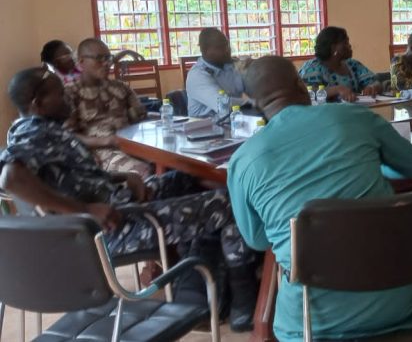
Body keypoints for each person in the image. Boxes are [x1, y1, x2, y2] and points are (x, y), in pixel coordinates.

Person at [0, 66, 258, 331]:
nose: (68, 98)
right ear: (38, 103)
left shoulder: (46, 129)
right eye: (60, 94)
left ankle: (196, 282)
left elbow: (76, 177)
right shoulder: (34, 132)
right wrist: (85, 209)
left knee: (185, 178)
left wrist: (123, 177)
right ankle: (244, 297)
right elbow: (10, 178)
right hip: (113, 230)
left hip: (121, 205)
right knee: (229, 203)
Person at [228, 56, 412, 342]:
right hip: (399, 305)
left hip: (311, 321)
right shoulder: (355, 118)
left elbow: (259, 240)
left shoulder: (242, 161)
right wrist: (371, 162)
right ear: (301, 84)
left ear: (253, 102)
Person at [64, 38, 152, 178]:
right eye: (99, 59)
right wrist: (106, 141)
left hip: (133, 145)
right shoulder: (69, 93)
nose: (107, 63)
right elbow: (67, 136)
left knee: (175, 165)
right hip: (99, 151)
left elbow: (141, 119)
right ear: (81, 62)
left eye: (108, 58)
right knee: (143, 171)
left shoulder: (121, 88)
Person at [298, 26, 380, 102]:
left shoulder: (353, 65)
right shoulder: (312, 68)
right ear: (333, 48)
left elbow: (376, 82)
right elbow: (306, 93)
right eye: (345, 43)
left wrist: (372, 87)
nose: (350, 46)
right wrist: (337, 89)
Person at [186, 27, 247, 117]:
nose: (227, 50)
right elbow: (224, 105)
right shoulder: (197, 75)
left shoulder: (230, 65)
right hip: (205, 128)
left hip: (232, 121)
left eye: (227, 45)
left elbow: (253, 87)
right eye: (220, 47)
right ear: (206, 51)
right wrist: (254, 103)